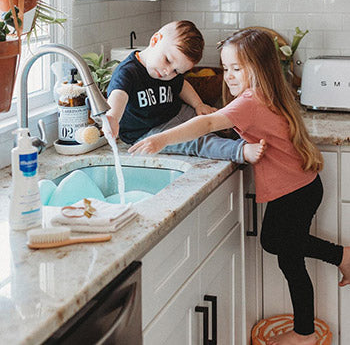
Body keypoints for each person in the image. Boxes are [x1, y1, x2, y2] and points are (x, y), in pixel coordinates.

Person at [128, 28, 350, 345]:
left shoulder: (249, 102)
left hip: (294, 192)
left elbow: (206, 124)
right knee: (289, 257)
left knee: (275, 242)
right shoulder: (271, 93)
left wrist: (161, 137)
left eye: (236, 69)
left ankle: (341, 257)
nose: (228, 76)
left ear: (258, 69)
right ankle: (306, 330)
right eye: (226, 68)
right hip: (302, 187)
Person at [106, 20, 265, 165]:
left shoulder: (170, 72)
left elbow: (182, 85)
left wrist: (198, 105)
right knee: (197, 142)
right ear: (155, 40)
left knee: (212, 121)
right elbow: (118, 95)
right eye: (167, 60)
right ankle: (239, 150)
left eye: (176, 70)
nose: (168, 71)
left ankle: (254, 138)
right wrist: (113, 118)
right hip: (147, 133)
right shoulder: (128, 72)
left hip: (176, 113)